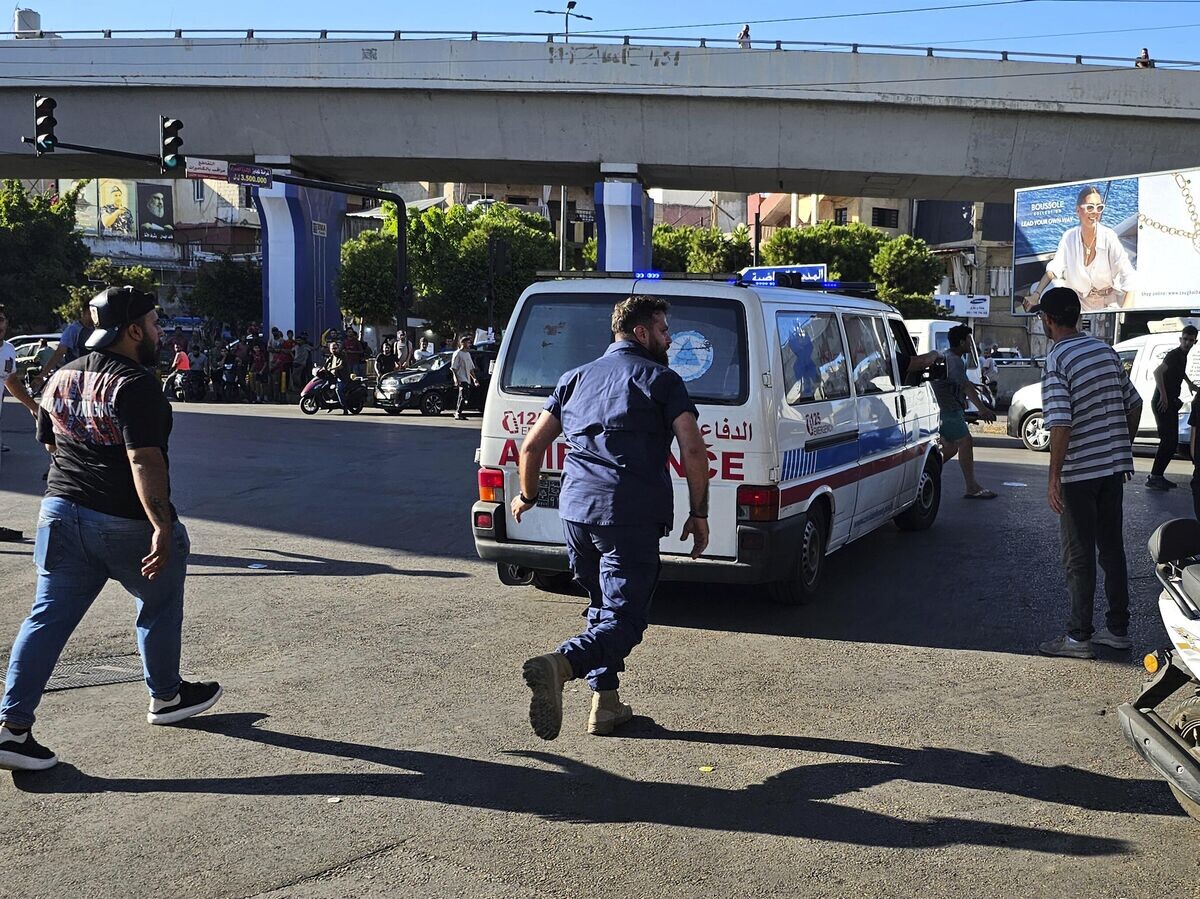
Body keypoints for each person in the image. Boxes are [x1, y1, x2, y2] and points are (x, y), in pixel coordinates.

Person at [0, 286, 222, 771]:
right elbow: (144, 459)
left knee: (45, 619)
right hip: (123, 522)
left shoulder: (61, 375)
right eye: (155, 323)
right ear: (133, 330)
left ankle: (12, 729)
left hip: (59, 513)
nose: (160, 332)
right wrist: (162, 525)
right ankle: (165, 697)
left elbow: (50, 442)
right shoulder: (134, 383)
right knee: (159, 603)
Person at [512, 295, 710, 740]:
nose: (669, 338)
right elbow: (693, 450)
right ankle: (561, 664)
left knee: (603, 607)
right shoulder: (662, 380)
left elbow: (531, 447)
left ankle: (606, 704)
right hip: (630, 514)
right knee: (624, 617)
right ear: (641, 333)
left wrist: (526, 495)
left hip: (578, 514)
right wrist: (699, 513)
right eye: (663, 329)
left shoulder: (574, 378)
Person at [1033, 287, 1141, 659]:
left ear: (1047, 320)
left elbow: (1060, 424)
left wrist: (1053, 477)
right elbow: (1135, 403)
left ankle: (1078, 637)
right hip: (1112, 470)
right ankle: (1118, 630)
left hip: (1080, 474)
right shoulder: (1104, 351)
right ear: (1078, 316)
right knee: (1111, 549)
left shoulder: (1057, 360)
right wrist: (1121, 449)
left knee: (1078, 555)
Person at [1024, 185, 1138, 313]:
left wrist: (1124, 313)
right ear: (1078, 210)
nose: (1095, 212)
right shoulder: (1069, 237)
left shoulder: (1108, 237)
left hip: (1108, 304)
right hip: (1078, 303)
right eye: (1090, 207)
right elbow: (1054, 269)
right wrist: (1036, 294)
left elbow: (1129, 276)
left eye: (1099, 207)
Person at [932, 325, 998, 499]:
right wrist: (983, 410)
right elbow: (966, 387)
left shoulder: (951, 358)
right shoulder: (954, 360)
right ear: (961, 342)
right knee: (965, 442)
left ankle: (926, 473)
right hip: (948, 411)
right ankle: (971, 487)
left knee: (952, 447)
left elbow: (965, 383)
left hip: (948, 410)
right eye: (969, 340)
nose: (971, 344)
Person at [0, 305, 42, 541]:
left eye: (1, 319)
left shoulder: (8, 350)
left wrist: (34, 407)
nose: (0, 323)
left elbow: (12, 382)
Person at [1148, 326, 1199, 490]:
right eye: (1185, 339)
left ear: (1195, 341)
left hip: (1170, 401)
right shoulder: (1174, 354)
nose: (1187, 343)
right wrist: (1163, 395)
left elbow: (1179, 372)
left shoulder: (1182, 357)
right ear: (1180, 339)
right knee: (1169, 441)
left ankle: (1157, 475)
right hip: (1163, 402)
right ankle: (1155, 476)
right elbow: (1158, 372)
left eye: (1191, 340)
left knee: (1171, 441)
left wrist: (1189, 383)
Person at [450, 336, 479, 420]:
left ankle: (458, 412)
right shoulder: (458, 353)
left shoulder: (467, 354)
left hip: (467, 378)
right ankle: (458, 412)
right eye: (467, 342)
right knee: (463, 395)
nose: (469, 344)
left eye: (469, 343)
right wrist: (456, 379)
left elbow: (470, 368)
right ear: (462, 343)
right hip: (461, 377)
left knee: (464, 396)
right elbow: (453, 367)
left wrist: (474, 379)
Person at [325, 341, 352, 414]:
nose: (334, 350)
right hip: (334, 377)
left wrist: (332, 368)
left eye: (335, 348)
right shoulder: (331, 356)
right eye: (332, 348)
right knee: (325, 387)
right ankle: (330, 405)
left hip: (343, 377)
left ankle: (344, 407)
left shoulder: (342, 355)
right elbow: (326, 365)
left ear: (338, 348)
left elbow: (340, 366)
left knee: (338, 390)